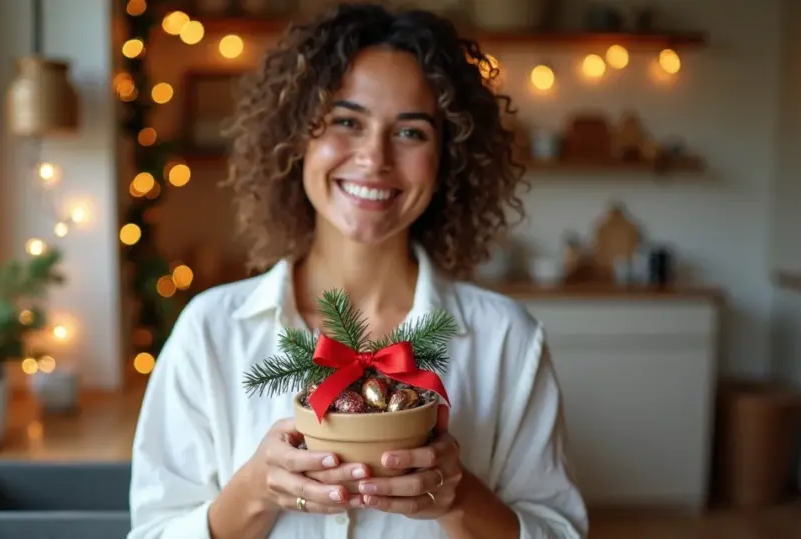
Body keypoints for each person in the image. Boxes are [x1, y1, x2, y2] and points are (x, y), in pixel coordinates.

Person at [127, 3, 588, 538]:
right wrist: (253, 491)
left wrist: (459, 498)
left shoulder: (508, 340)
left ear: (448, 159)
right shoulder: (209, 331)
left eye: (411, 132)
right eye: (347, 122)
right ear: (299, 140)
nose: (375, 158)